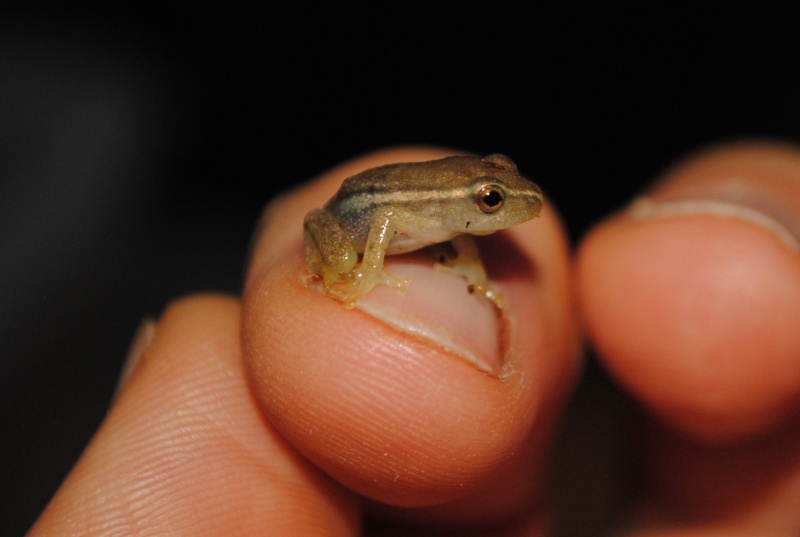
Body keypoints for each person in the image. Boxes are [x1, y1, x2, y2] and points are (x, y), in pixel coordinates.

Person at [28, 142, 800, 535]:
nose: (504, 207)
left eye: (497, 190)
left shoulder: (455, 221)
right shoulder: (417, 213)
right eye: (494, 198)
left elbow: (452, 232)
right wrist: (361, 272)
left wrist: (472, 270)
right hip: (351, 218)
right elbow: (388, 220)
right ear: (471, 201)